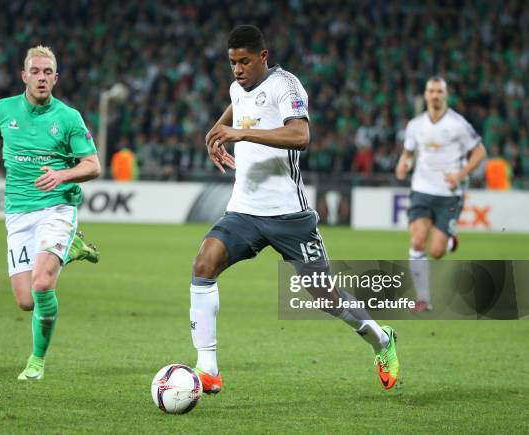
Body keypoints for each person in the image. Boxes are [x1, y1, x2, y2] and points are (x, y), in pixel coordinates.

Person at [189, 25, 399, 393]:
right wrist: (215, 132)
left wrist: (241, 134)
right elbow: (237, 104)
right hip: (245, 210)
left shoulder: (287, 86)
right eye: (232, 62)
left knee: (326, 297)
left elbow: (301, 136)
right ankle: (208, 369)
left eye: (244, 61)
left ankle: (382, 341)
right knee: (204, 264)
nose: (237, 70)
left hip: (289, 215)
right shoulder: (238, 87)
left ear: (263, 57)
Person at [0, 45, 101, 380]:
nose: (41, 77)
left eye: (47, 72)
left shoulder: (68, 118)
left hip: (57, 207)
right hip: (19, 212)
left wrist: (63, 174)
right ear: (24, 76)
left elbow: (93, 165)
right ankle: (71, 249)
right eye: (35, 72)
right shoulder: (3, 111)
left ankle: (36, 362)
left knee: (41, 284)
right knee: (26, 301)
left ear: (56, 78)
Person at [395, 76, 487, 312]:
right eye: (431, 91)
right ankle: (423, 299)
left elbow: (479, 152)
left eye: (439, 91)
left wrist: (461, 174)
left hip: (449, 193)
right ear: (425, 95)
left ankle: (448, 242)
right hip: (421, 189)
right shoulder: (415, 125)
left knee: (435, 251)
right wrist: (403, 164)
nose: (435, 95)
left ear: (445, 95)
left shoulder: (458, 124)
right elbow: (408, 153)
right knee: (417, 241)